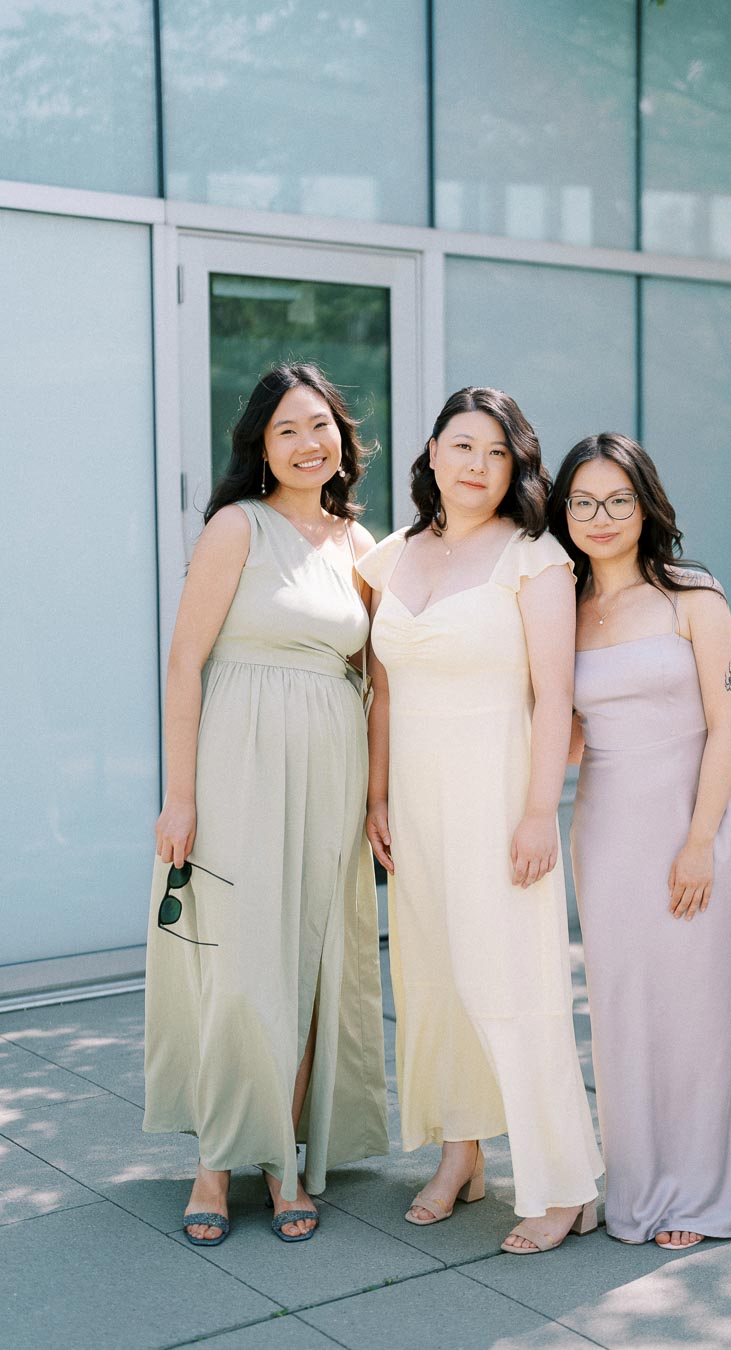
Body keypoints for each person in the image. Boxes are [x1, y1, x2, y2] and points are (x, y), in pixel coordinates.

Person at [144, 361, 388, 1247]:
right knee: (242, 963)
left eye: (319, 424)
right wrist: (180, 797)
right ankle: (215, 1162)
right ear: (260, 444)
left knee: (310, 964)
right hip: (238, 764)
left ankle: (283, 1161)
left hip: (330, 769)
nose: (306, 442)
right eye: (286, 429)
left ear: (341, 437)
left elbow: (380, 678)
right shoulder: (235, 529)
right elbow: (183, 663)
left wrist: (379, 796)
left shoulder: (363, 546)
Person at [356, 387, 602, 1256]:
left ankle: (565, 1184)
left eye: (497, 453)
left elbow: (555, 695)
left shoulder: (534, 558)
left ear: (516, 466)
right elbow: (382, 688)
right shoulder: (390, 557)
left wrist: (542, 811)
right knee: (433, 978)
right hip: (416, 803)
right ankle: (461, 1157)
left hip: (500, 795)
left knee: (514, 983)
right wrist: (377, 796)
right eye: (462, 446)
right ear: (430, 453)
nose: (477, 465)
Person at [549, 432, 731, 1250]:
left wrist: (700, 840)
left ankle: (703, 1196)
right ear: (563, 511)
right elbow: (563, 733)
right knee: (625, 1011)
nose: (600, 517)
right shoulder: (562, 609)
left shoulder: (694, 596)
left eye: (617, 500)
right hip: (606, 830)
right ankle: (639, 1188)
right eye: (583, 501)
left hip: (692, 820)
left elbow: (729, 716)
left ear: (646, 505)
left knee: (699, 1012)